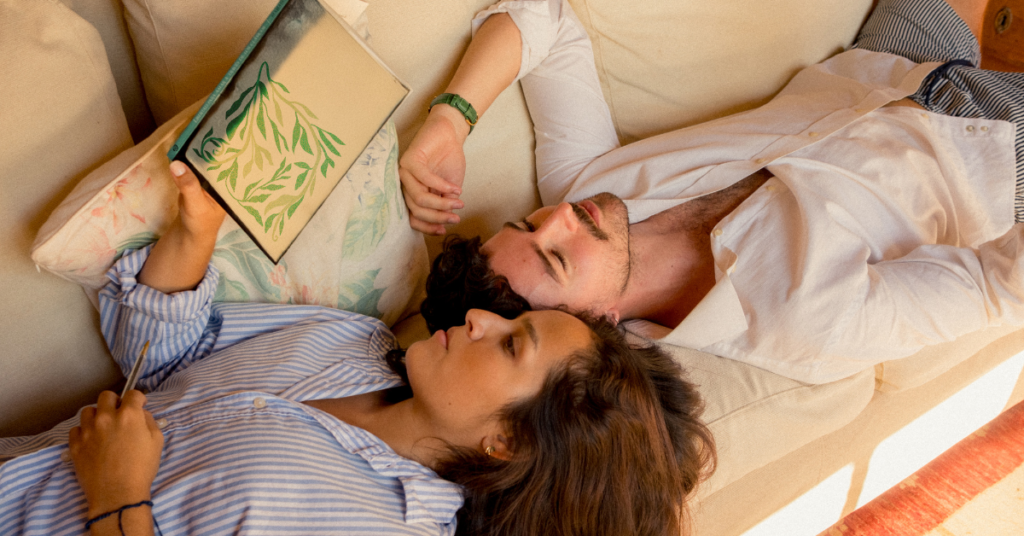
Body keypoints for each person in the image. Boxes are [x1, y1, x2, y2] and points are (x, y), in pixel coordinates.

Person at [0, 162, 715, 536]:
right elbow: (161, 363)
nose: (478, 321)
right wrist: (196, 233)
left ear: (504, 441)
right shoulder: (356, 341)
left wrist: (117, 498)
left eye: (509, 345)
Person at [400, 0, 1024, 384]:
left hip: (885, 65)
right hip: (992, 153)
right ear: (595, 325)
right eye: (557, 256)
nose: (562, 216)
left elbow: (549, 19)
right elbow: (1000, 288)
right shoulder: (797, 319)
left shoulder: (591, 188)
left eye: (528, 224)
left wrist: (449, 122)